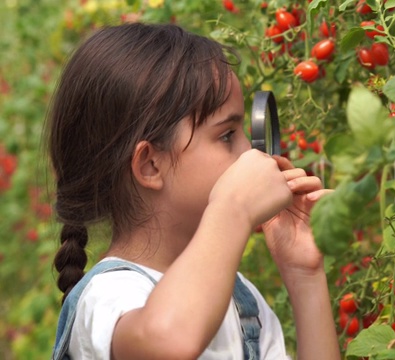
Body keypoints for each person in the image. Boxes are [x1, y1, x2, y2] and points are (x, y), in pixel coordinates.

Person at [46, 22, 340, 360]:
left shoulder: (244, 305)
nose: (252, 154)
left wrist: (305, 276)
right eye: (227, 135)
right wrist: (235, 207)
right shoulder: (110, 296)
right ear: (150, 165)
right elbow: (169, 343)